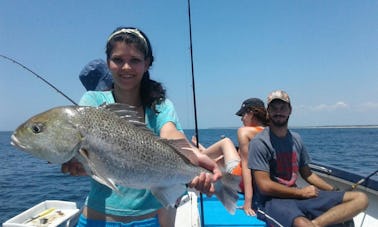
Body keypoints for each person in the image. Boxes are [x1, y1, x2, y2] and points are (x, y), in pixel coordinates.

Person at [61, 27, 221, 227]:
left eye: (135, 60)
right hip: (97, 219)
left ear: (147, 64)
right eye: (118, 60)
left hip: (148, 221)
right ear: (108, 63)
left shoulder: (161, 105)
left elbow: (170, 132)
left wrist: (192, 155)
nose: (126, 67)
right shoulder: (93, 101)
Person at [248, 90, 368, 227]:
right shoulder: (260, 142)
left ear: (290, 110)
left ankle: (315, 224)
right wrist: (300, 192)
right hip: (271, 201)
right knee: (303, 224)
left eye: (283, 108)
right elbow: (264, 186)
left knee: (360, 199)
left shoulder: (296, 139)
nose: (278, 112)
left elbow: (307, 173)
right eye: (274, 108)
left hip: (298, 196)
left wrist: (332, 190)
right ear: (268, 112)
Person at [191, 97, 268, 216]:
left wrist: (248, 201)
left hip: (237, 180)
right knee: (221, 160)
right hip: (252, 182)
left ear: (251, 114)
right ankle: (203, 153)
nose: (242, 119)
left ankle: (195, 157)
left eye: (243, 115)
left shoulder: (245, 131)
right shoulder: (271, 132)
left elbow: (246, 165)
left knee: (226, 142)